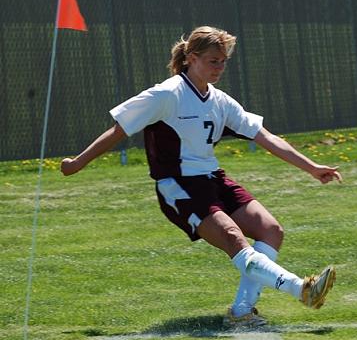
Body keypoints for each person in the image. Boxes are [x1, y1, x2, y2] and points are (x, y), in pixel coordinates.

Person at [61, 25, 342, 327]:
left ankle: (241, 312)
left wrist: (312, 167)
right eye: (213, 60)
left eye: (223, 61)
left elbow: (265, 137)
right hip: (178, 185)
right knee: (234, 237)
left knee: (271, 229)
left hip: (213, 178)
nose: (219, 67)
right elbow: (118, 130)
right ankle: (301, 288)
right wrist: (79, 162)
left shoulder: (220, 100)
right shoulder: (166, 94)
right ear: (192, 58)